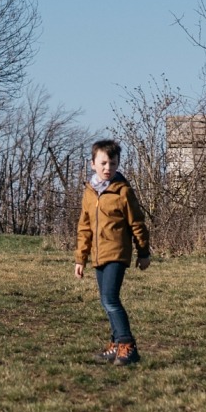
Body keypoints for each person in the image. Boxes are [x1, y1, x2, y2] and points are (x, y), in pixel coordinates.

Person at [74, 138, 151, 365]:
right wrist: (81, 258)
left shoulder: (123, 191)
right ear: (93, 164)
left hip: (117, 253)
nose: (109, 168)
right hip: (98, 255)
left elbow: (137, 223)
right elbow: (84, 227)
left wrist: (143, 252)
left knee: (110, 299)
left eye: (113, 163)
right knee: (105, 300)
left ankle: (128, 345)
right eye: (104, 163)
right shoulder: (90, 192)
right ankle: (116, 344)